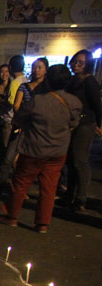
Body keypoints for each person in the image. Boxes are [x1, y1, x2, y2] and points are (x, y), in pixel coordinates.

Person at [1, 64, 81, 233]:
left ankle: (12, 216)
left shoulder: (37, 100)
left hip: (33, 149)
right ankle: (42, 223)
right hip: (57, 151)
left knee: (21, 184)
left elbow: (19, 119)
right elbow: (74, 123)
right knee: (49, 189)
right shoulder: (74, 102)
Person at [63, 50, 102, 212]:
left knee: (80, 160)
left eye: (81, 62)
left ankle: (81, 197)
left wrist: (99, 125)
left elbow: (97, 106)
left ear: (88, 65)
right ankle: (69, 195)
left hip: (86, 124)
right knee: (70, 160)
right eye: (74, 61)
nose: (76, 65)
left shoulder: (90, 81)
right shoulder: (72, 80)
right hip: (73, 123)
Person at [0, 55, 25, 201]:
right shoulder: (26, 81)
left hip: (10, 121)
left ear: (10, 68)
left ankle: (1, 187)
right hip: (20, 123)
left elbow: (11, 102)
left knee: (6, 157)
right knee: (13, 156)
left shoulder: (16, 82)